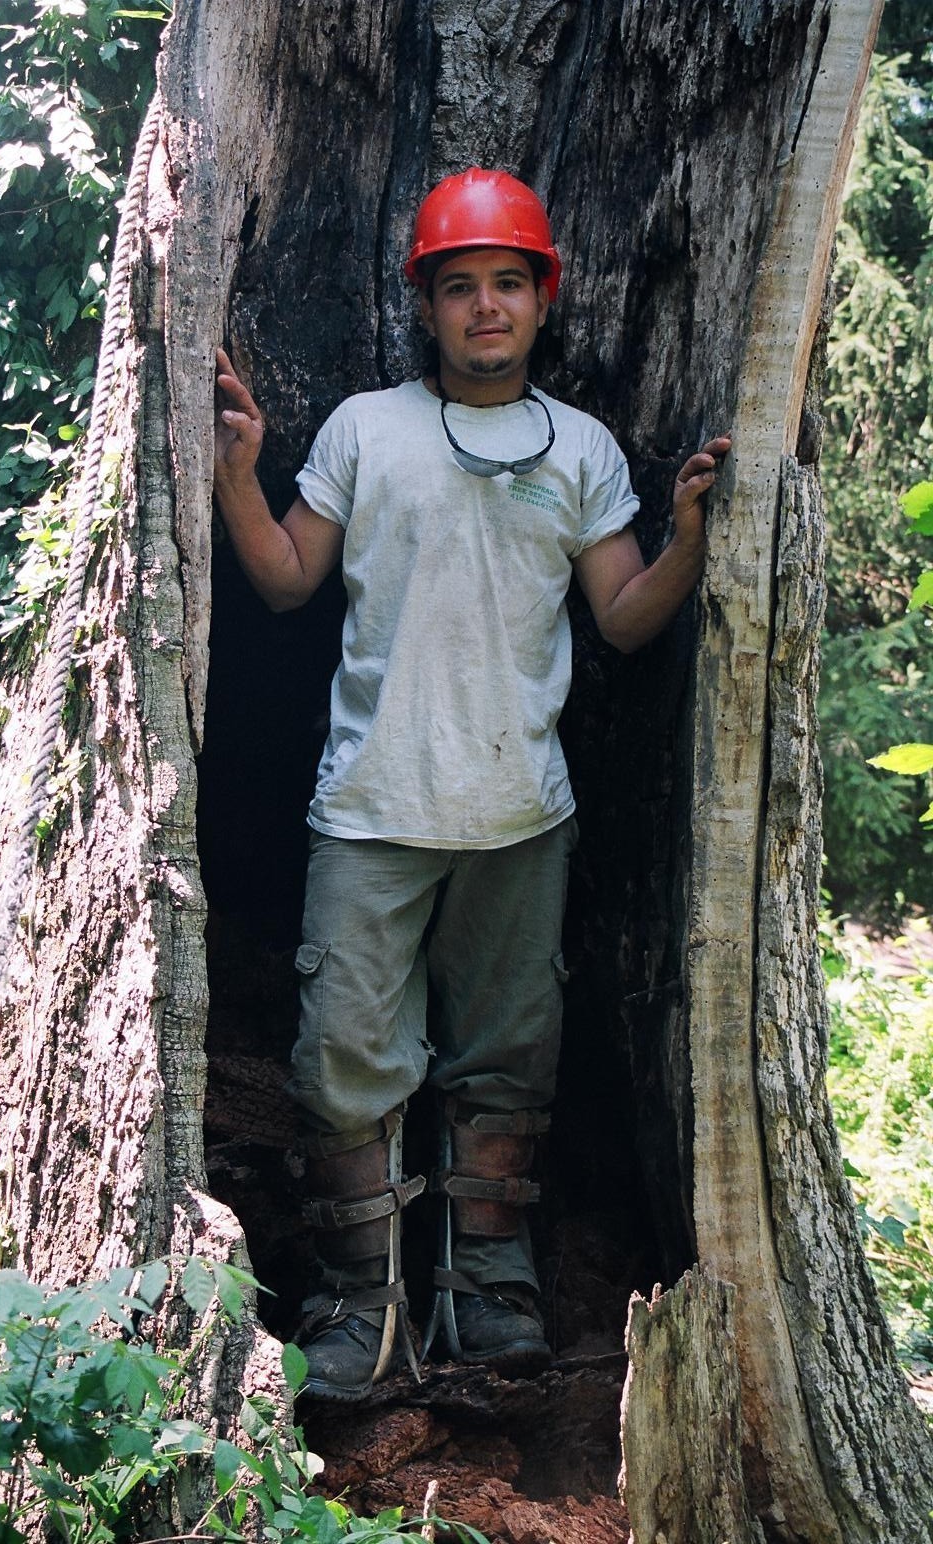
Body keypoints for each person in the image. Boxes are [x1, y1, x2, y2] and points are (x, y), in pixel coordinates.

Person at [214, 167, 730, 1403]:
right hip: (370, 809)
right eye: (461, 286)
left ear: (541, 297)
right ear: (427, 305)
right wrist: (239, 467)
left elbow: (619, 617)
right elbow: (287, 577)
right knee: (345, 1056)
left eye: (507, 282)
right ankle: (358, 1310)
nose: (485, 306)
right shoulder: (364, 430)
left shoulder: (579, 449)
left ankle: (490, 1291)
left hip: (518, 819)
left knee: (506, 1062)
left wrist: (691, 539)